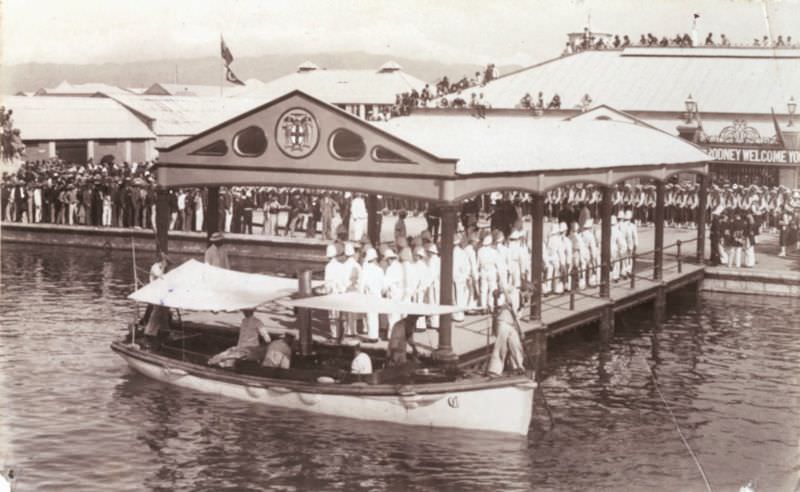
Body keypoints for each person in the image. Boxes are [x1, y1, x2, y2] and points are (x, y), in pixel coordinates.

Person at [487, 288, 525, 376]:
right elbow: (504, 288)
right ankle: (494, 370)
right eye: (528, 294)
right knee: (501, 346)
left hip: (511, 323)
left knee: (516, 344)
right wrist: (503, 292)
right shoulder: (515, 293)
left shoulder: (521, 301)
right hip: (503, 322)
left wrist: (520, 331)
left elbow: (516, 317)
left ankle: (518, 366)